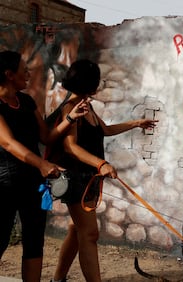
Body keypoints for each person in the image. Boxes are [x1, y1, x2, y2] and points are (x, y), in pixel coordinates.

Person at [51, 59, 158, 282]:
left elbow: (105, 130)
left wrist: (136, 123)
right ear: (89, 84)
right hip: (76, 179)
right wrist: (101, 164)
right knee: (89, 234)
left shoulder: (85, 105)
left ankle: (58, 278)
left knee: (76, 231)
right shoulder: (70, 108)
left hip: (89, 179)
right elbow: (70, 147)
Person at [0, 50, 88, 282]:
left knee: (34, 241)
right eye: (23, 69)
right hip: (3, 185)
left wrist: (70, 119)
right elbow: (8, 143)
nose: (28, 74)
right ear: (9, 74)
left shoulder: (27, 101)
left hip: (32, 183)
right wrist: (41, 163)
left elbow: (47, 138)